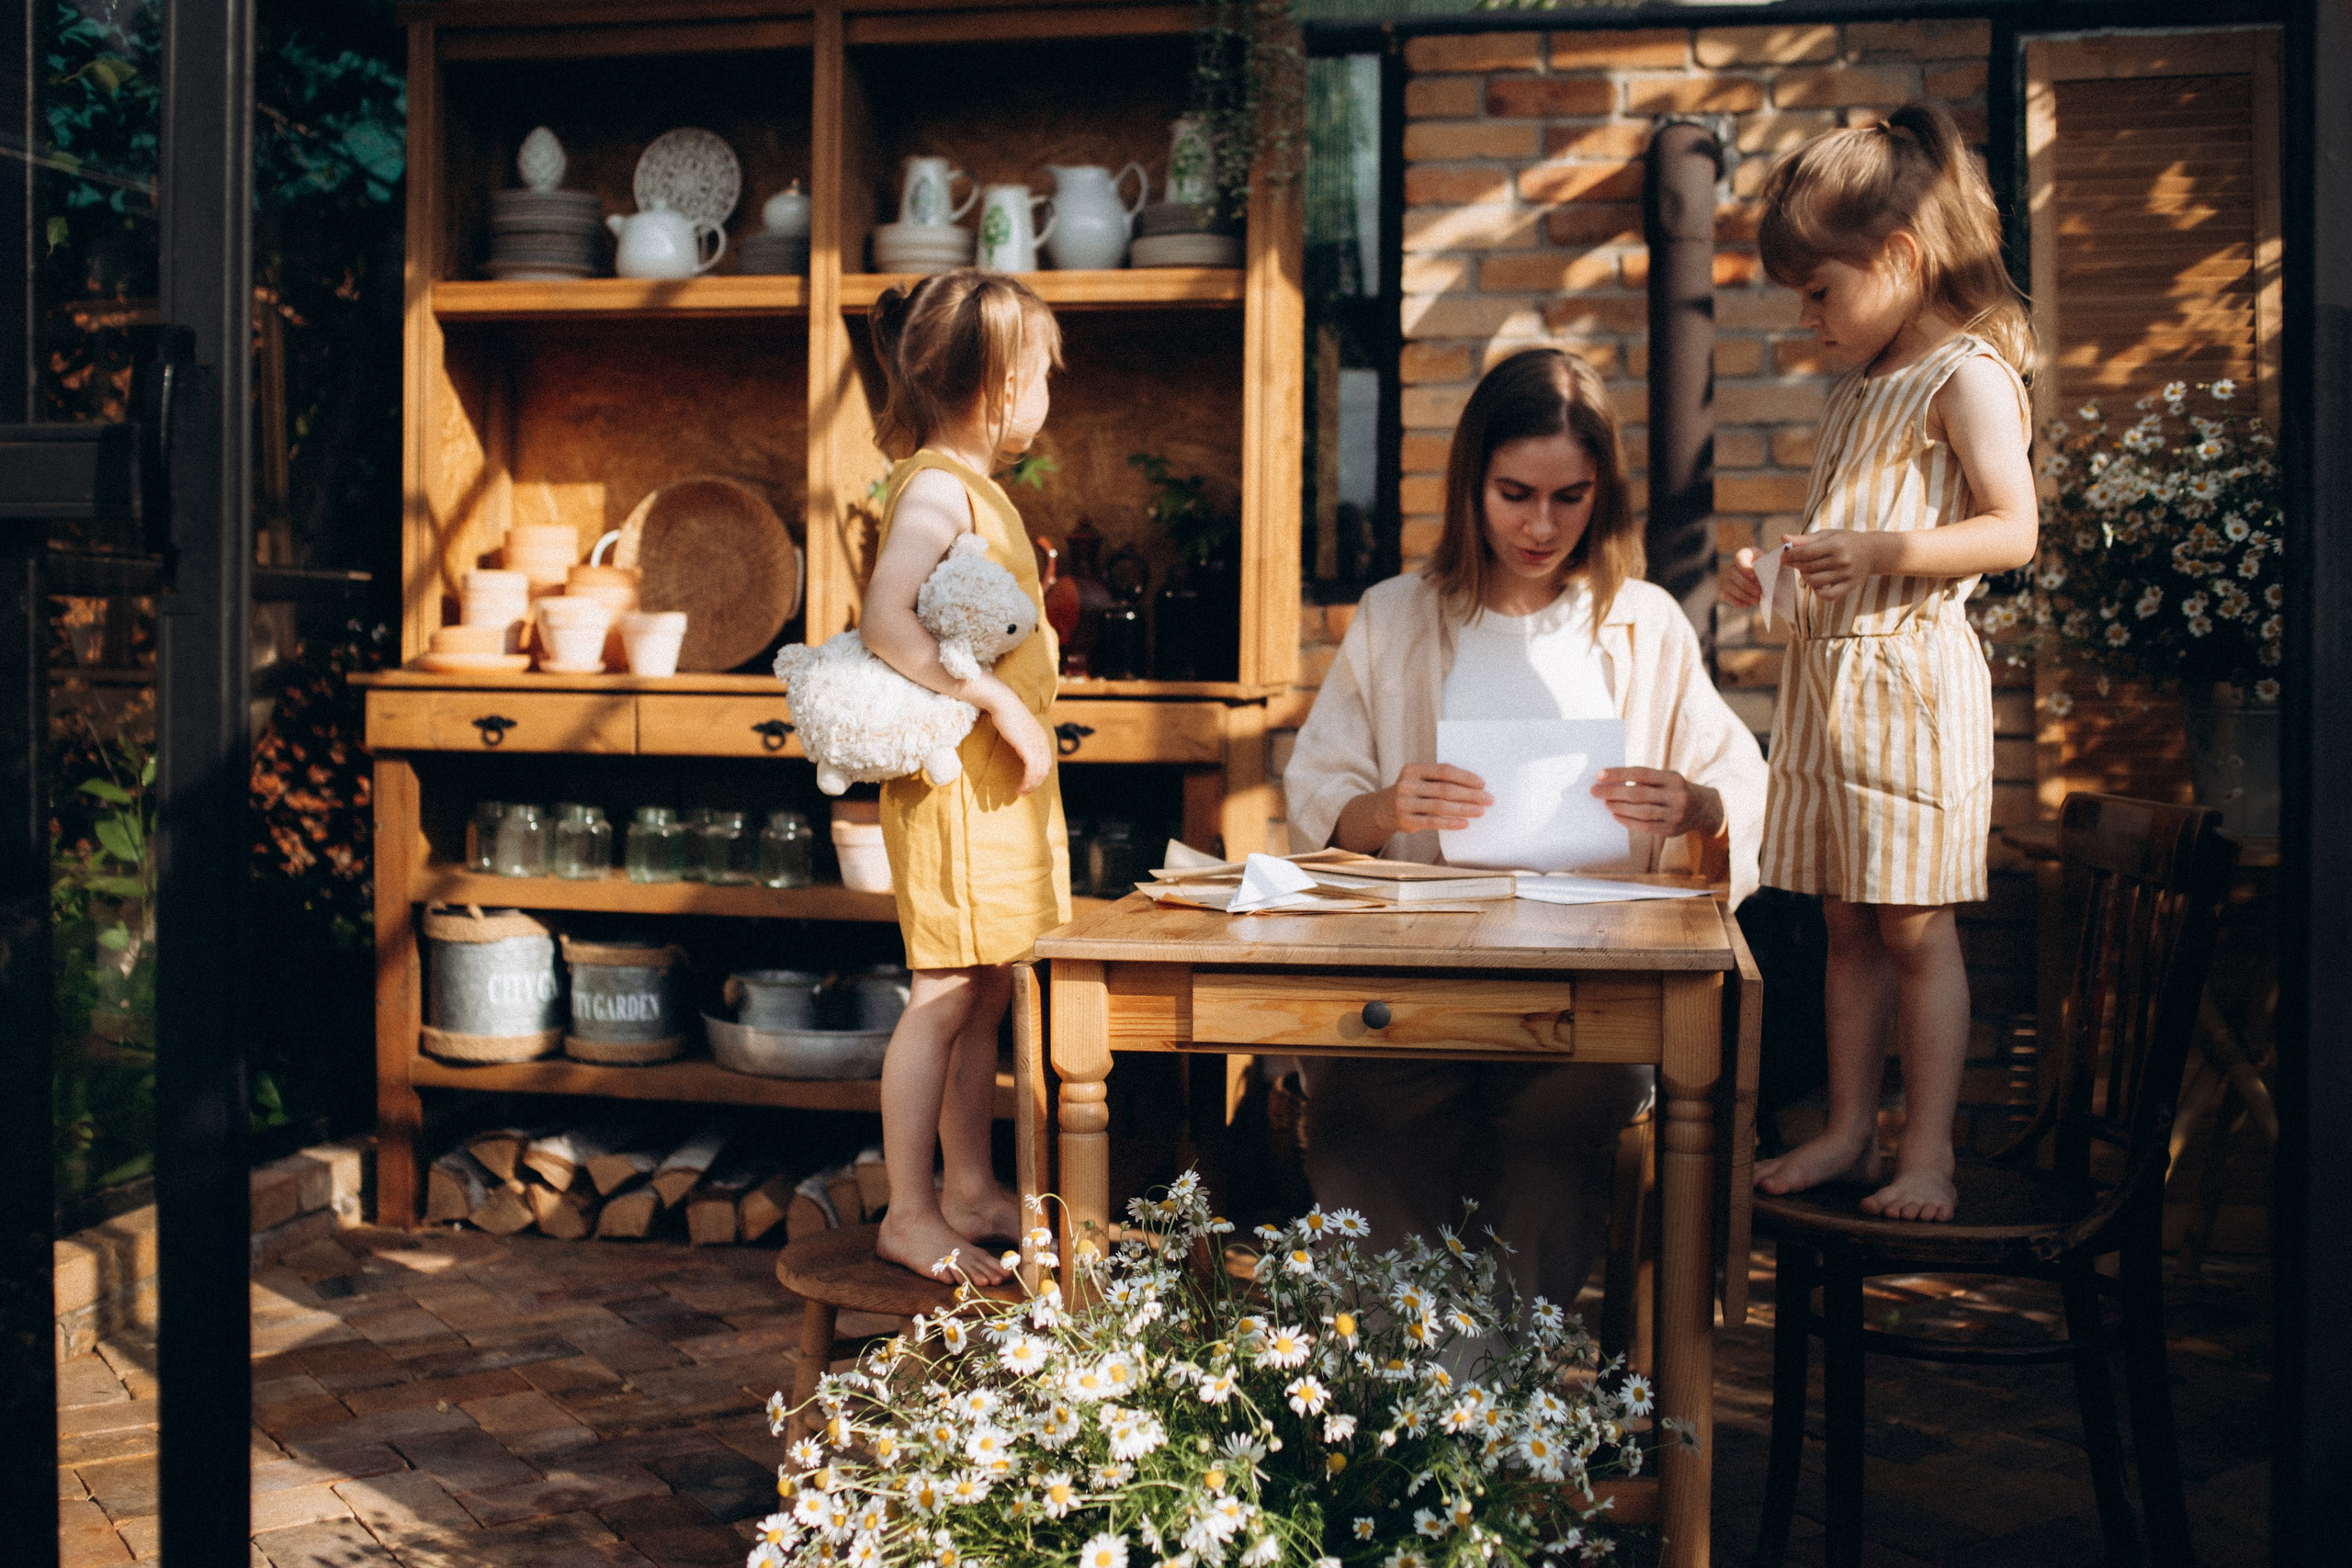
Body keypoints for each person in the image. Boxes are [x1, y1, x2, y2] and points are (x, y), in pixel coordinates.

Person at [1283, 346, 1768, 1309]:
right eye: (1514, 494)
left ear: (1603, 494)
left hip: (1590, 983)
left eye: (1569, 497)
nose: (1541, 526)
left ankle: (1498, 1381)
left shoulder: (1644, 623)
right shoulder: (1394, 618)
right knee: (1355, 1103)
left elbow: (1732, 786)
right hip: (1415, 980)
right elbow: (1317, 794)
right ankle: (1402, 1367)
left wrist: (1696, 806)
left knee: (1567, 1112)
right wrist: (1386, 810)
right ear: (1471, 483)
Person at [1725, 101, 2040, 1224]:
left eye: (1819, 290)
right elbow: (1849, 553)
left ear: (1899, 256)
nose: (1807, 317)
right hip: (1834, 698)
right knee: (1844, 924)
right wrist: (1777, 579)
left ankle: (1930, 1152)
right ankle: (1849, 1128)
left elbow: (2013, 531)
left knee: (1913, 926)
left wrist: (1886, 552)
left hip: (1909, 696)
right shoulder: (1858, 391)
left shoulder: (1967, 375)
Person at [861, 270, 1071, 1284]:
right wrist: (1001, 703)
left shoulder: (968, 486)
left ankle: (970, 1186)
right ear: (995, 382)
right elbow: (885, 619)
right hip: (954, 791)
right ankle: (908, 1210)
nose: (1046, 394)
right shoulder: (937, 487)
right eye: (1039, 375)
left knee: (985, 989)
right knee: (943, 991)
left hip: (990, 800)